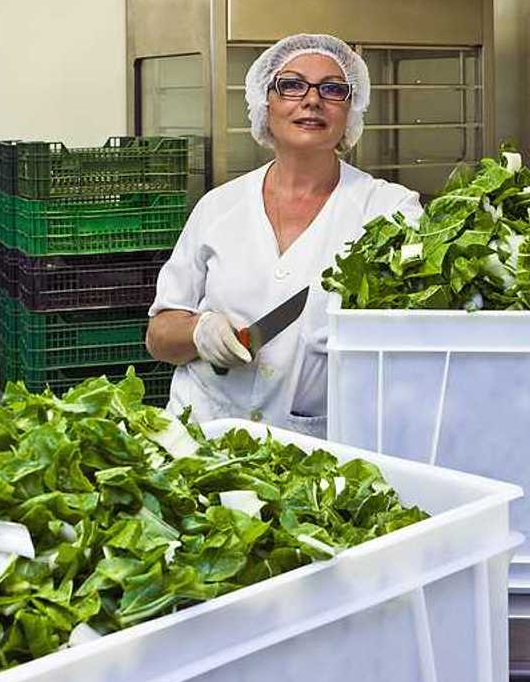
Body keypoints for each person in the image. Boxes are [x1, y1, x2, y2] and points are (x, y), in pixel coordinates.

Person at [144, 33, 423, 438]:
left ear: (351, 110)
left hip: (321, 448)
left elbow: (419, 340)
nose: (312, 100)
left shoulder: (389, 211)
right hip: (203, 436)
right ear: (265, 103)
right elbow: (159, 336)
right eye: (291, 85)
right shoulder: (218, 208)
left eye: (333, 89)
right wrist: (200, 332)